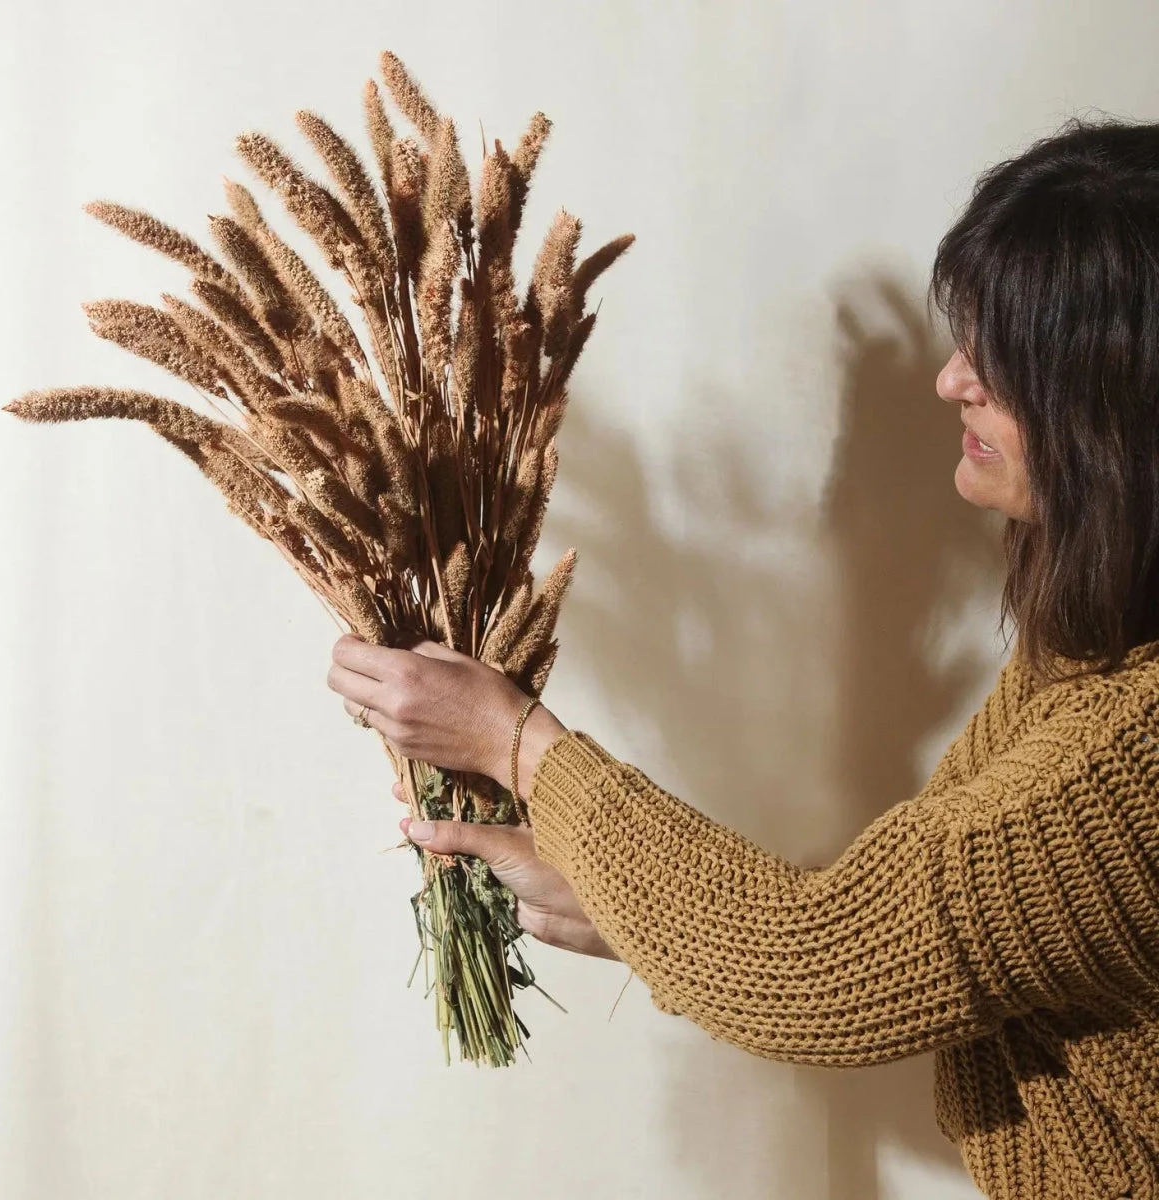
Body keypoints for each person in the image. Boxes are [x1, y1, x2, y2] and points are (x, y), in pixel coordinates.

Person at [325, 115, 1159, 1200]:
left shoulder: (1130, 758)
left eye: (1008, 356)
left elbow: (820, 960)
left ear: (1121, 407)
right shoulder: (1096, 645)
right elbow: (904, 933)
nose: (955, 380)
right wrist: (614, 899)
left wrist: (513, 740)